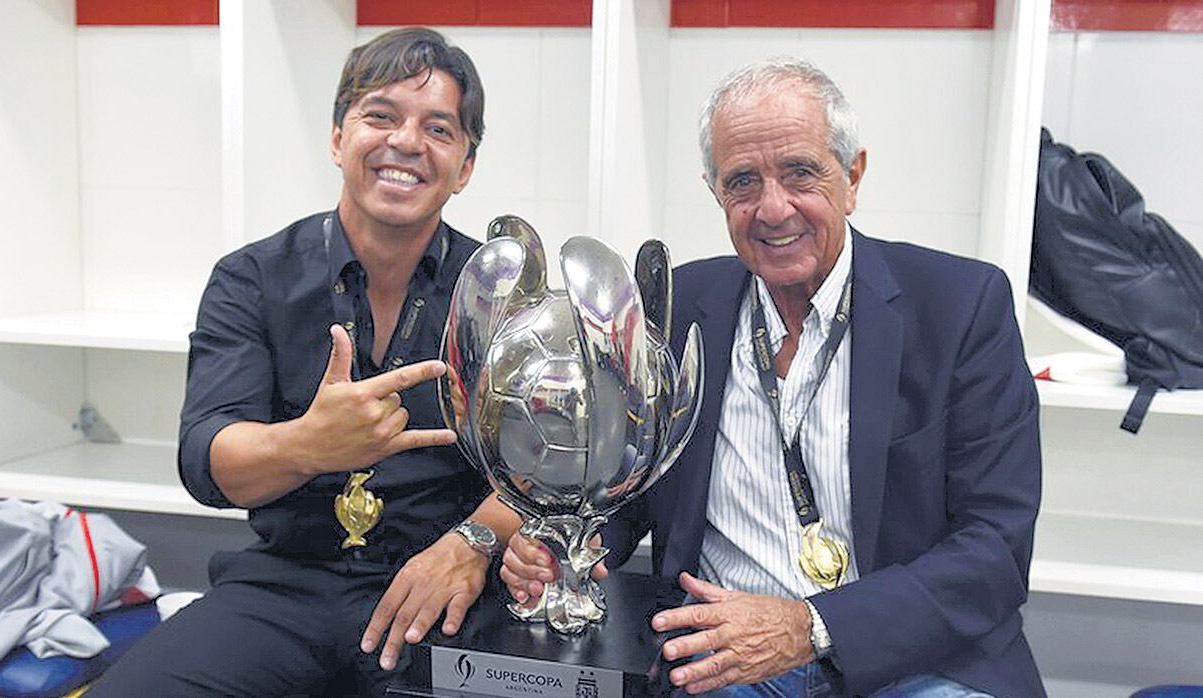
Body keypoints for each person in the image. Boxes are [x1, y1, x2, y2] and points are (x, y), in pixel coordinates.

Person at [501, 58, 1046, 697]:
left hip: (914, 664)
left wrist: (811, 626)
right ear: (716, 193)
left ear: (853, 177)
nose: (773, 208)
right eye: (743, 182)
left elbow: (995, 550)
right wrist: (571, 547)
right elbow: (631, 485)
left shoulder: (960, 305)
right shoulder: (677, 308)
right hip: (723, 664)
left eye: (800, 173)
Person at [89, 28, 520, 697]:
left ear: (464, 166)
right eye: (379, 116)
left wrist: (475, 542)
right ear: (337, 137)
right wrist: (309, 446)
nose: (405, 141)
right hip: (285, 584)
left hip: (442, 583)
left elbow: (549, 471)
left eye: (438, 128)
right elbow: (209, 461)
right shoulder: (251, 278)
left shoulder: (503, 291)